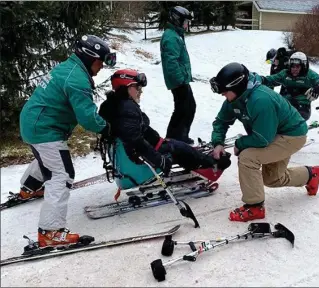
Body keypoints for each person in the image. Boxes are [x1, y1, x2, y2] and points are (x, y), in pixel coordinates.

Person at [18, 35, 116, 247]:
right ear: (90, 58)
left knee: (49, 159)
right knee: (61, 174)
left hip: (33, 122)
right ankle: (50, 232)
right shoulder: (77, 79)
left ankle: (29, 187)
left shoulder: (67, 67)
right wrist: (107, 128)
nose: (101, 67)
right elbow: (87, 117)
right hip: (44, 129)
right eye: (100, 61)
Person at [209, 62, 319, 222]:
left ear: (236, 88)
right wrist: (218, 143)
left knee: (248, 157)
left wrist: (240, 144)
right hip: (275, 134)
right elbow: (221, 121)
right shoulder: (234, 99)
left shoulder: (260, 100)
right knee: (273, 178)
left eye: (225, 92)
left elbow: (262, 139)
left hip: (292, 135)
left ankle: (254, 207)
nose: (223, 96)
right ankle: (311, 175)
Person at [98, 69, 231, 189]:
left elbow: (137, 127)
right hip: (139, 162)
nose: (140, 91)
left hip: (135, 155)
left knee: (176, 145)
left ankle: (203, 160)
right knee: (179, 149)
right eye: (137, 87)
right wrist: (159, 160)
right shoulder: (127, 109)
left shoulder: (112, 105)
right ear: (126, 88)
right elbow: (137, 142)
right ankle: (212, 165)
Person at [160, 6, 196, 145]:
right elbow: (171, 62)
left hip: (181, 79)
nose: (187, 24)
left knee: (188, 107)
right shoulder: (171, 37)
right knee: (183, 109)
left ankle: (180, 136)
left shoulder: (175, 34)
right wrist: (180, 79)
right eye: (185, 21)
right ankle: (174, 138)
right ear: (177, 20)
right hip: (178, 80)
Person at [261, 51, 319, 121]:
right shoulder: (285, 73)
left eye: (297, 66)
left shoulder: (309, 75)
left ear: (303, 66)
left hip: (302, 106)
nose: (294, 69)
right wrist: (259, 79)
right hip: (285, 103)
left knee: (294, 116)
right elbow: (270, 79)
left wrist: (317, 88)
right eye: (292, 66)